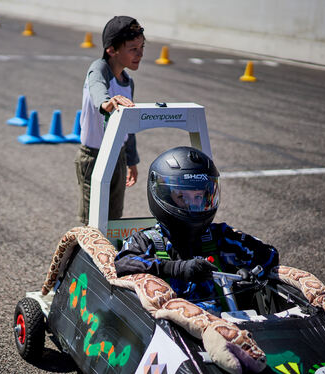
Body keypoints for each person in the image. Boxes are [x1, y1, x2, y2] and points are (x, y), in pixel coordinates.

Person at [115, 146, 279, 313]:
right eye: (182, 197)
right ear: (163, 195)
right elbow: (123, 263)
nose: (192, 205)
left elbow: (269, 254)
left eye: (198, 197)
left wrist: (252, 274)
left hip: (223, 326)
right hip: (169, 329)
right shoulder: (146, 240)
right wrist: (177, 268)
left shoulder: (220, 236)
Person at [75, 16, 145, 225]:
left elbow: (128, 125)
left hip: (119, 157)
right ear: (112, 50)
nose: (140, 53)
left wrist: (131, 159)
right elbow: (97, 85)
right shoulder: (98, 69)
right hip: (94, 157)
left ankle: (109, 257)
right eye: (133, 48)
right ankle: (87, 257)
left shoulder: (128, 83)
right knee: (93, 223)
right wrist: (106, 102)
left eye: (142, 47)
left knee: (113, 220)